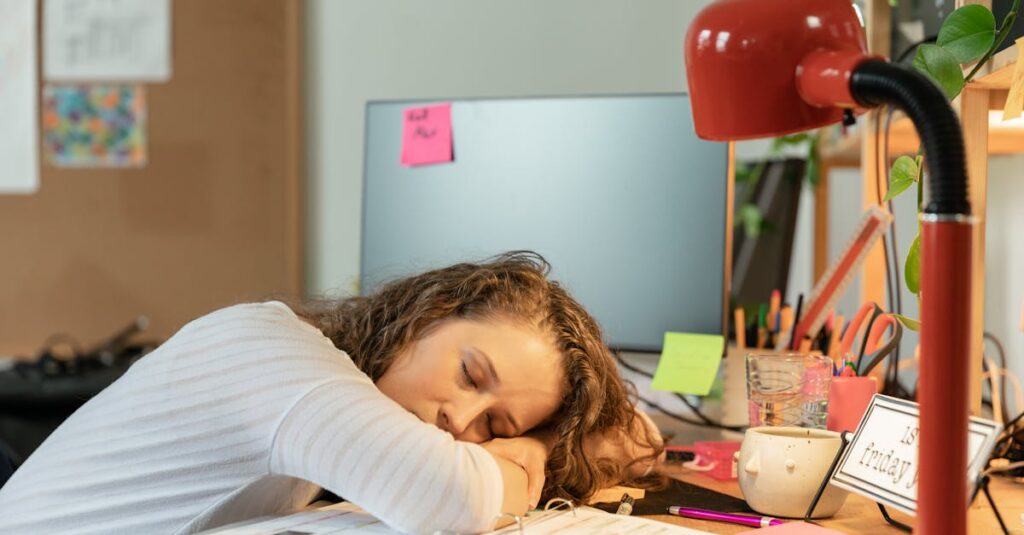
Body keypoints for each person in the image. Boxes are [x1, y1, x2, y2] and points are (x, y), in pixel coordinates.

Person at [0, 252, 662, 534]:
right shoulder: (277, 356)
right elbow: (452, 494)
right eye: (469, 372)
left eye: (497, 424)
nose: (460, 420)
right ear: (431, 312)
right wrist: (535, 449)